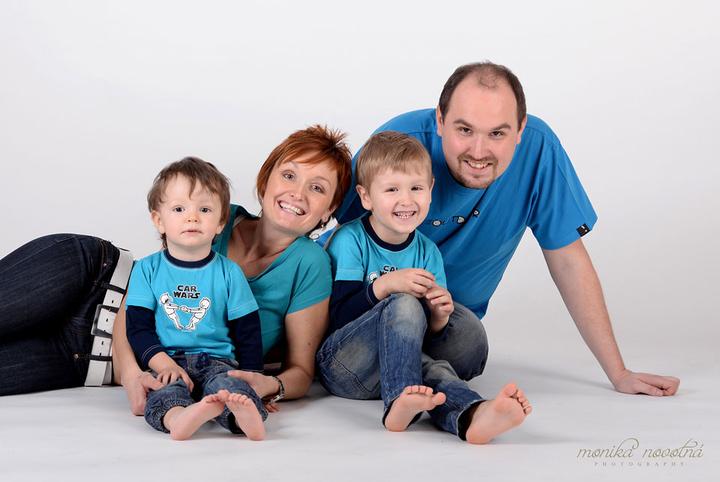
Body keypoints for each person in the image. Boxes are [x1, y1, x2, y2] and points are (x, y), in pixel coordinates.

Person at [332, 62, 680, 397]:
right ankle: (420, 383)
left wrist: (618, 372)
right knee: (402, 311)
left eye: (497, 133)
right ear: (440, 120)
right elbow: (328, 232)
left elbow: (568, 260)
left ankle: (418, 381)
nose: (478, 151)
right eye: (464, 130)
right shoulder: (398, 146)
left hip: (442, 322)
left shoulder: (539, 150)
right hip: (370, 319)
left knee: (471, 339)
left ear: (520, 129)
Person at [0, 125, 353, 418]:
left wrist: (267, 385)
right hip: (93, 280)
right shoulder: (214, 215)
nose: (297, 193)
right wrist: (132, 375)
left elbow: (301, 371)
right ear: (266, 180)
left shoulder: (311, 264)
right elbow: (135, 299)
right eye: (289, 175)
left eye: (317, 187)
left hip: (84, 360)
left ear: (330, 208)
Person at [317, 131, 531, 443]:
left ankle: (471, 414)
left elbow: (422, 336)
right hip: (344, 365)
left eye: (416, 188)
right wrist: (384, 286)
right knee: (403, 303)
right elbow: (336, 317)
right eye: (392, 189)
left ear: (430, 190)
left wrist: (439, 316)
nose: (406, 200)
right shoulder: (351, 240)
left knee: (453, 340)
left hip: (400, 362)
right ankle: (399, 398)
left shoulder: (427, 251)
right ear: (366, 197)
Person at [125, 157, 266, 440]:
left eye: (204, 209)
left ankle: (243, 420)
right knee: (164, 391)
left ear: (220, 223)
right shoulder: (146, 269)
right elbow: (138, 328)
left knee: (231, 389)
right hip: (168, 360)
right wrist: (163, 364)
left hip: (217, 361)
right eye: (179, 209)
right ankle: (179, 418)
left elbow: (248, 331)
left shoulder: (229, 272)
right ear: (158, 220)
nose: (192, 217)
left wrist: (252, 377)